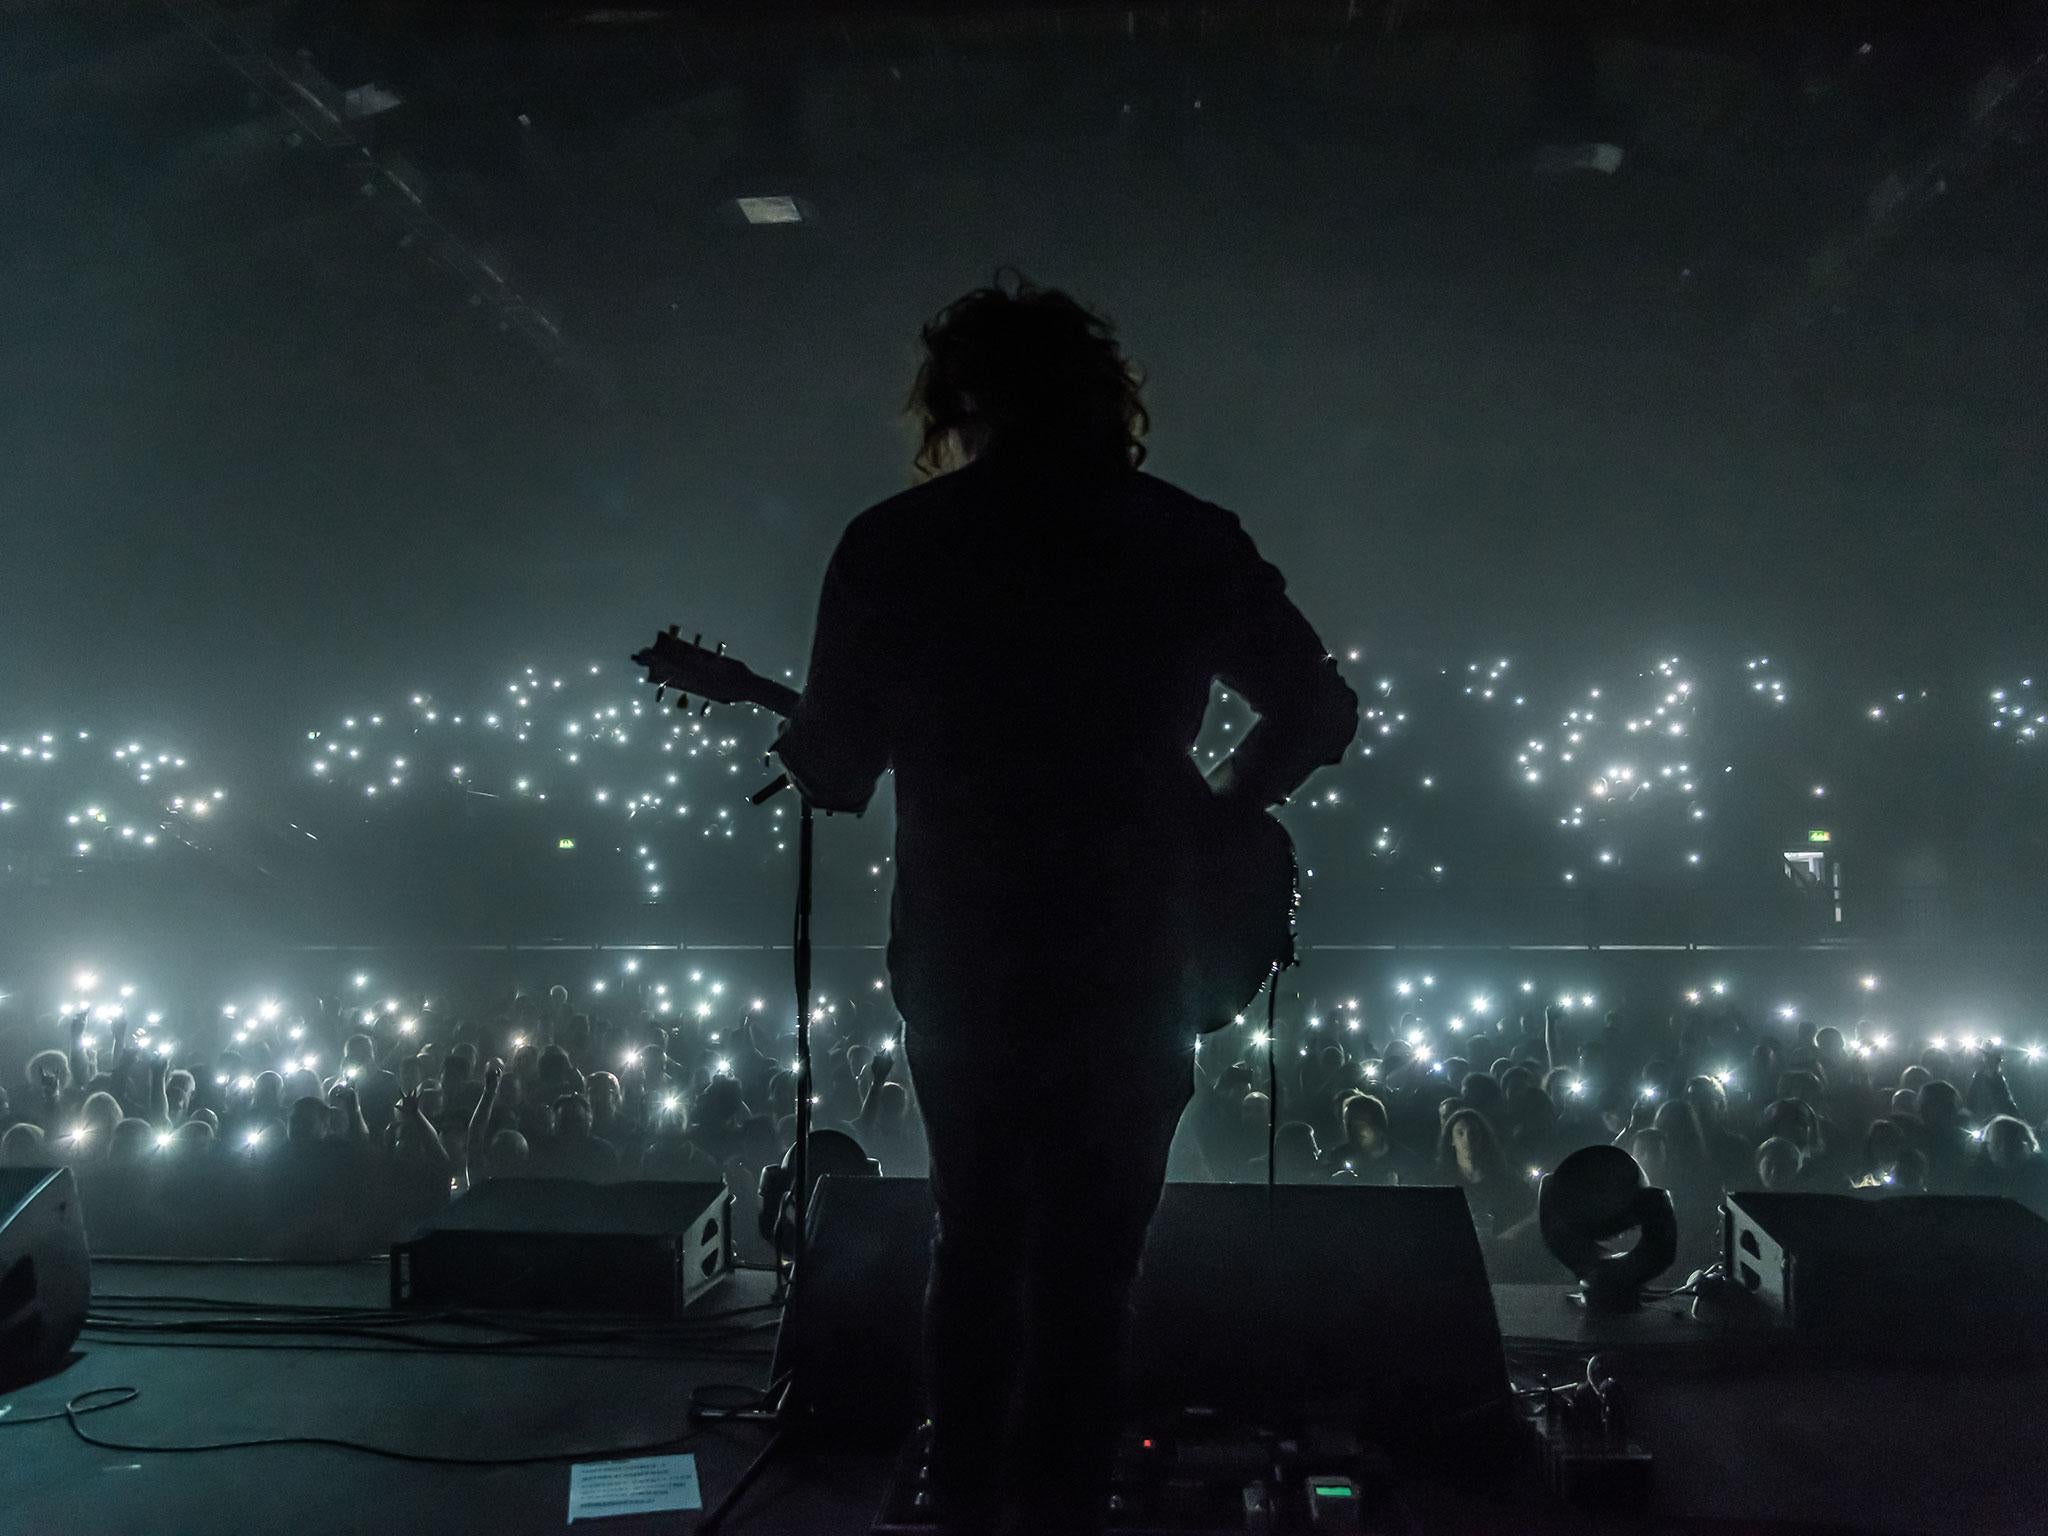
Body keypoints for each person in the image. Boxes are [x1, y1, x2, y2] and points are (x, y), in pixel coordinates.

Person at [771, 270, 1358, 1536]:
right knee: (1095, 1260)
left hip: (968, 943)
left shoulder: (897, 543)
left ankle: (966, 1494)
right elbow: (1318, 710)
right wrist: (1213, 807)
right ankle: (1065, 1503)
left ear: (959, 398)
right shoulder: (1182, 533)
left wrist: (812, 739)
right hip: (1135, 942)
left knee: (974, 1238)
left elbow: (834, 767)